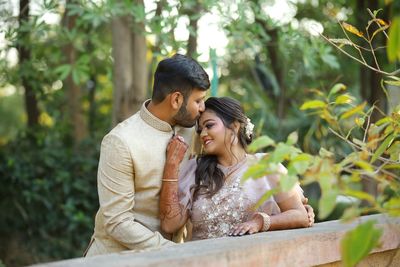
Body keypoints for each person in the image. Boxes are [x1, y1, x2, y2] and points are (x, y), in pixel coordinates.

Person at [84, 54, 210, 256]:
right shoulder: (121, 141)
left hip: (171, 259)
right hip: (117, 258)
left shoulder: (195, 129)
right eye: (198, 100)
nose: (203, 108)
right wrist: (174, 252)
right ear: (176, 99)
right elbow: (117, 222)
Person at [159, 97, 314, 240]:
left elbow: (300, 215)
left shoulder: (266, 166)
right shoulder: (196, 169)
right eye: (200, 130)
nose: (203, 134)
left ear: (234, 126)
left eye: (209, 125)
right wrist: (171, 166)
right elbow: (169, 225)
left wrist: (261, 222)